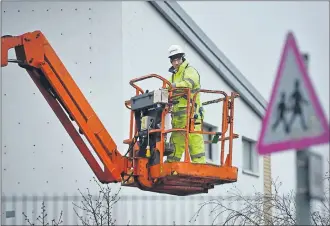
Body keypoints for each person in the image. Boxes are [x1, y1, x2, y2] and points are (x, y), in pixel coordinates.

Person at [165, 44, 206, 164]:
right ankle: (171, 167)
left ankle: (200, 167)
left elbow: (189, 84)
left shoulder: (189, 71)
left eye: (178, 59)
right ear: (171, 61)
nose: (176, 62)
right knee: (176, 143)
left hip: (192, 115)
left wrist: (173, 86)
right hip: (178, 118)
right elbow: (168, 90)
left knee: (195, 142)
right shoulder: (173, 76)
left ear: (182, 58)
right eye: (174, 60)